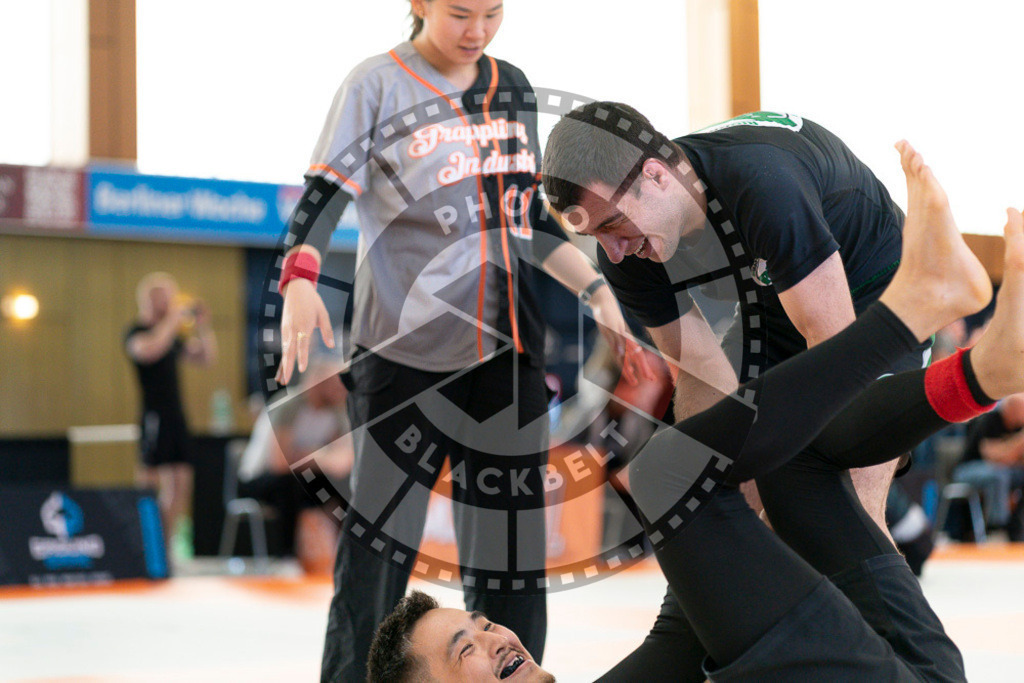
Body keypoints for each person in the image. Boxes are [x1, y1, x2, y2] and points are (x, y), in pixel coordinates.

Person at [366, 142, 1023, 682]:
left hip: (913, 664)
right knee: (665, 473)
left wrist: (726, 511)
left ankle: (984, 368)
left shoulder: (748, 188)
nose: (495, 633)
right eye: (466, 648)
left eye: (480, 623)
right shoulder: (667, 237)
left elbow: (684, 623)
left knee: (765, 459)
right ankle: (917, 316)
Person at [272, 3, 652, 681]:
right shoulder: (376, 85)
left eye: (492, 12)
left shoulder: (512, 87)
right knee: (378, 553)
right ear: (418, 4)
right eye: (458, 13)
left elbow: (527, 215)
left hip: (509, 355)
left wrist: (596, 291)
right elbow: (325, 193)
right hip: (400, 354)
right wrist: (301, 275)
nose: (476, 30)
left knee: (511, 558)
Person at [541, 103, 951, 678]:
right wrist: (717, 500)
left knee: (842, 501)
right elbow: (702, 373)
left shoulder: (763, 184)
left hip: (869, 296)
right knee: (720, 505)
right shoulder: (629, 248)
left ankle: (918, 670)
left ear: (656, 175)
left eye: (611, 227)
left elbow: (835, 359)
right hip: (774, 310)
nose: (611, 253)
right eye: (592, 236)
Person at [125, 272, 217, 558]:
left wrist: (202, 327)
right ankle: (143, 545)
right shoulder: (137, 332)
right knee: (149, 484)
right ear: (149, 300)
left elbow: (206, 359)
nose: (168, 303)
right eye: (163, 297)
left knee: (181, 483)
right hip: (154, 416)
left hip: (176, 417)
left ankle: (165, 546)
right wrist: (173, 320)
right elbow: (149, 350)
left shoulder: (173, 336)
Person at [238, 355, 354, 558]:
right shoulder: (289, 406)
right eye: (337, 384)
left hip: (303, 475)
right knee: (290, 485)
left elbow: (343, 461)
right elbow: (279, 464)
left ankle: (344, 555)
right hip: (259, 478)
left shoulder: (336, 413)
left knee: (345, 486)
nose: (342, 390)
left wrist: (308, 456)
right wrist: (320, 457)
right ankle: (287, 556)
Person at [952, 392, 1024, 538]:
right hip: (967, 470)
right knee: (998, 475)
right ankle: (997, 529)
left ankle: (1016, 525)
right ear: (1011, 407)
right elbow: (993, 458)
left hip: (1002, 471)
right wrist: (1019, 442)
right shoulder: (990, 420)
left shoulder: (1018, 426)